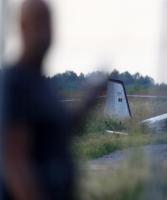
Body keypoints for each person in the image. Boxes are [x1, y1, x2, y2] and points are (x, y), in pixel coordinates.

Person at [1, 0, 107, 199]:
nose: (46, 33)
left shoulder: (43, 84)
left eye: (49, 23)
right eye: (39, 23)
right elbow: (15, 163)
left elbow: (60, 132)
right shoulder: (14, 82)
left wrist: (88, 102)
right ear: (22, 27)